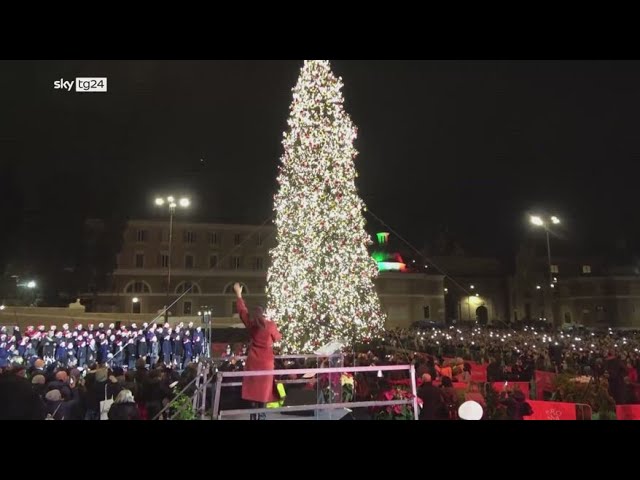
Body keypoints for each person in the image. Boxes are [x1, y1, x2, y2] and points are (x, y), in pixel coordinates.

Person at [234, 282, 282, 420]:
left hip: (253, 361)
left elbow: (242, 312)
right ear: (264, 312)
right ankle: (262, 414)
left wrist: (238, 295)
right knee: (263, 391)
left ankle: (253, 415)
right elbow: (277, 338)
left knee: (253, 391)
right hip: (266, 362)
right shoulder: (270, 325)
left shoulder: (251, 323)